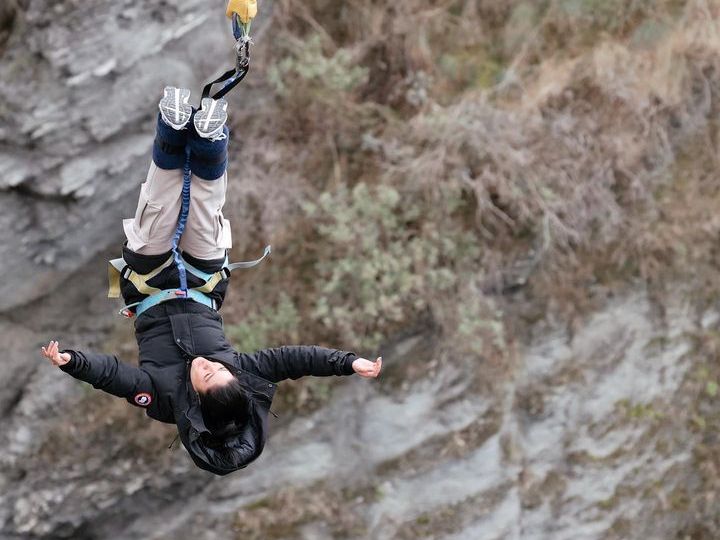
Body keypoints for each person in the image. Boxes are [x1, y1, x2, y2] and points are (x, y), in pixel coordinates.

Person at [40, 87, 382, 476]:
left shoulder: (164, 400)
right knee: (205, 213)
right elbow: (296, 359)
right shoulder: (243, 375)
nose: (208, 365)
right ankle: (209, 137)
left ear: (197, 401)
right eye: (220, 370)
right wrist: (350, 362)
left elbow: (113, 376)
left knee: (158, 206)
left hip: (147, 284)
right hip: (203, 284)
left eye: (205, 376)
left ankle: (171, 130)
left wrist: (71, 362)